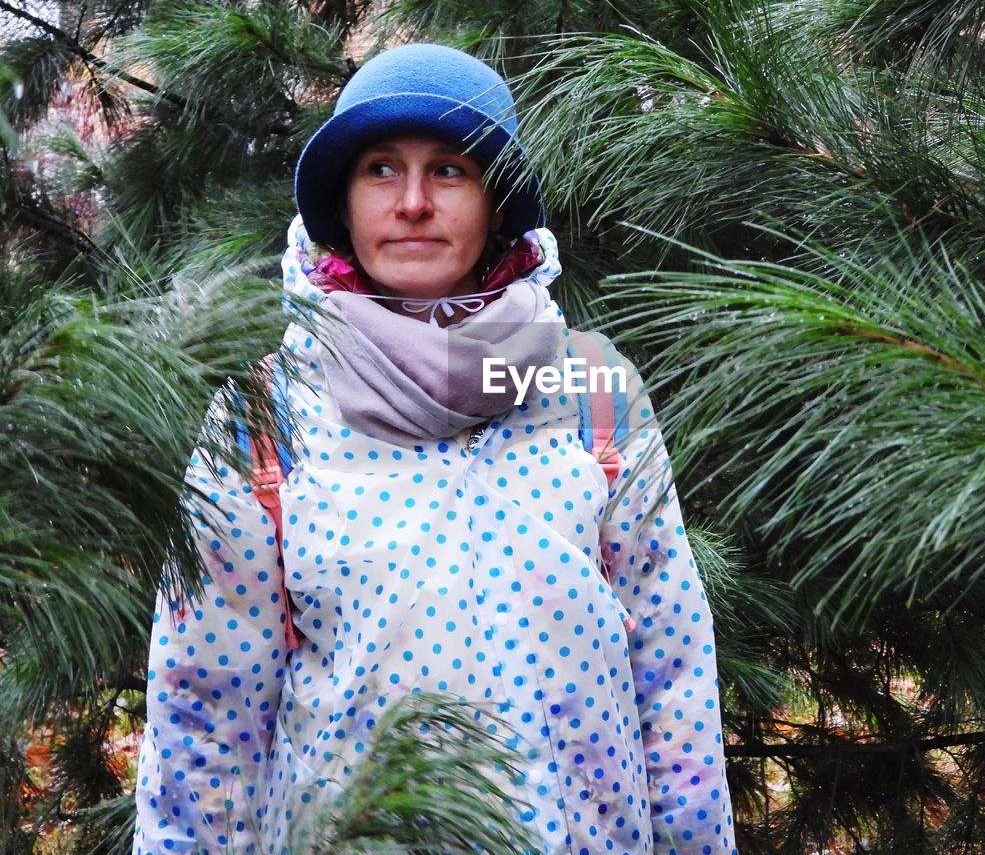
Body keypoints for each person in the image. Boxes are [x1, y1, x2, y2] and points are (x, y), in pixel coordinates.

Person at [133, 43, 739, 855]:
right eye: (381, 169)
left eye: (450, 170)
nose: (413, 202)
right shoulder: (266, 416)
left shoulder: (595, 390)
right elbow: (206, 709)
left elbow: (672, 676)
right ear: (343, 203)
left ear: (496, 202)